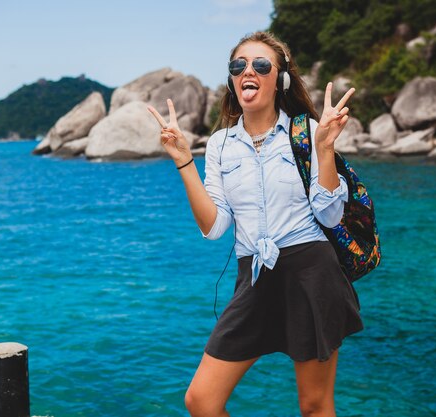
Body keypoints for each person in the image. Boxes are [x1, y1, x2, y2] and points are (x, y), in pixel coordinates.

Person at [148, 31, 364, 417]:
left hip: (310, 273)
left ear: (279, 80)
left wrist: (326, 148)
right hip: (254, 276)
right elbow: (215, 228)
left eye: (261, 65)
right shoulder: (219, 145)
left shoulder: (308, 134)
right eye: (239, 65)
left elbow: (331, 215)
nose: (249, 71)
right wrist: (184, 161)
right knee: (201, 401)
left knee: (314, 406)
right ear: (232, 80)